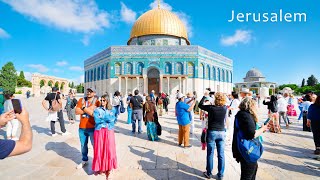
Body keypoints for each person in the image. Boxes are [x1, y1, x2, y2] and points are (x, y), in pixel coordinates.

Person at [232, 97, 269, 180]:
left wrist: (261, 129)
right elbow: (251, 134)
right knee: (248, 175)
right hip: (247, 150)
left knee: (251, 170)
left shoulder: (242, 114)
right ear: (251, 106)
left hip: (243, 149)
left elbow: (247, 130)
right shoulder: (245, 115)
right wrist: (262, 129)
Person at [199, 92, 228, 179]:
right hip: (222, 132)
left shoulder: (211, 108)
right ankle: (220, 174)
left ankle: (209, 172)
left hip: (212, 132)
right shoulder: (224, 108)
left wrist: (204, 96)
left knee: (210, 153)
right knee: (221, 154)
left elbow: (200, 105)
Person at [89, 94, 117, 178]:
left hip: (109, 130)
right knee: (100, 149)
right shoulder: (97, 109)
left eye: (103, 100)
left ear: (107, 101)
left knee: (109, 149)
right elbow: (97, 120)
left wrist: (103, 118)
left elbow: (112, 120)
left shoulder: (112, 109)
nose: (101, 102)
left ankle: (109, 169)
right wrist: (106, 118)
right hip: (99, 131)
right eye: (101, 100)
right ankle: (101, 167)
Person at [75, 87, 100, 169]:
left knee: (95, 145)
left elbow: (94, 114)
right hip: (82, 127)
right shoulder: (81, 100)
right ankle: (84, 160)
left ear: (94, 93)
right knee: (83, 145)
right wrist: (88, 109)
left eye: (91, 91)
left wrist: (83, 108)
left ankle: (97, 161)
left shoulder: (97, 102)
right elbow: (76, 112)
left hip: (92, 127)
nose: (88, 93)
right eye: (88, 91)